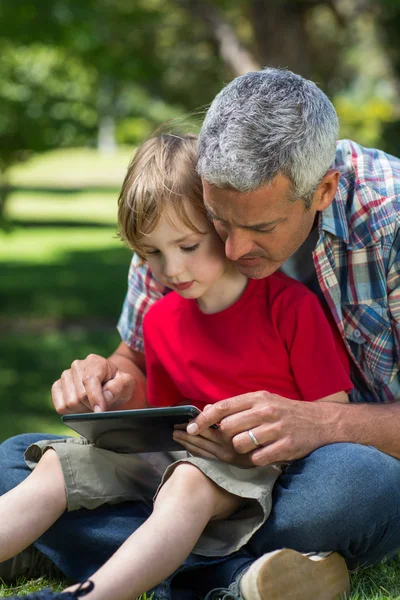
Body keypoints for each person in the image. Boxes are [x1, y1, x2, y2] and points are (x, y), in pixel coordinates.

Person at [1, 66, 400, 599]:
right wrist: (106, 379)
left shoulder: (389, 221)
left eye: (258, 228)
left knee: (354, 488)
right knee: (16, 462)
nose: (232, 250)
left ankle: (100, 551)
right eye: (218, 223)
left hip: (319, 465)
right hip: (178, 464)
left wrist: (317, 421)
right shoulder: (185, 207)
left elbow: (330, 424)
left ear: (323, 190)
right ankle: (244, 577)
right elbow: (137, 362)